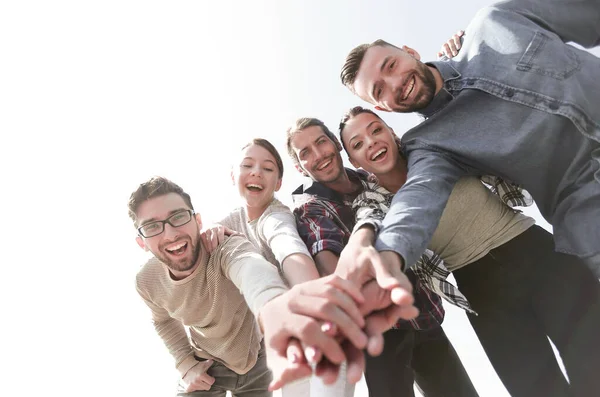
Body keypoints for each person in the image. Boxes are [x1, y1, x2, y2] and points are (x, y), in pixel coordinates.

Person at [339, 105, 600, 397]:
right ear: (353, 161)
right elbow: (367, 221)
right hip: (483, 293)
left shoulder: (433, 147)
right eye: (358, 143)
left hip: (535, 253)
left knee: (593, 364)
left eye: (376, 130)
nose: (371, 141)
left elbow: (472, 115)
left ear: (392, 132)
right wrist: (358, 244)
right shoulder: (371, 200)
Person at [339, 0, 600, 280]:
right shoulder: (430, 144)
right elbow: (417, 198)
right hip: (587, 208)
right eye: (380, 91)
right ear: (383, 108)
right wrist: (389, 255)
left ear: (410, 52)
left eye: (390, 65)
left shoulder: (496, 20)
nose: (395, 84)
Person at [286, 117, 479, 397]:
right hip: (379, 333)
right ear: (298, 167)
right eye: (305, 153)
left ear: (336, 144)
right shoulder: (310, 207)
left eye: (320, 142)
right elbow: (325, 254)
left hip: (422, 313)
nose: (318, 155)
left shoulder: (370, 179)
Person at [128, 176, 372, 396]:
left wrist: (274, 306)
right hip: (207, 365)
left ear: (197, 220)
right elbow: (162, 320)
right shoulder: (147, 281)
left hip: (255, 362)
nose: (170, 234)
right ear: (141, 242)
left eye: (178, 216)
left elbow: (251, 268)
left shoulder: (223, 247)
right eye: (152, 226)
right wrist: (185, 364)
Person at [215, 138, 354, 397]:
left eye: (268, 169)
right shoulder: (229, 221)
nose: (257, 171)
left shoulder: (277, 217)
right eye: (247, 165)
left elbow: (288, 246)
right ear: (233, 175)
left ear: (278, 183)